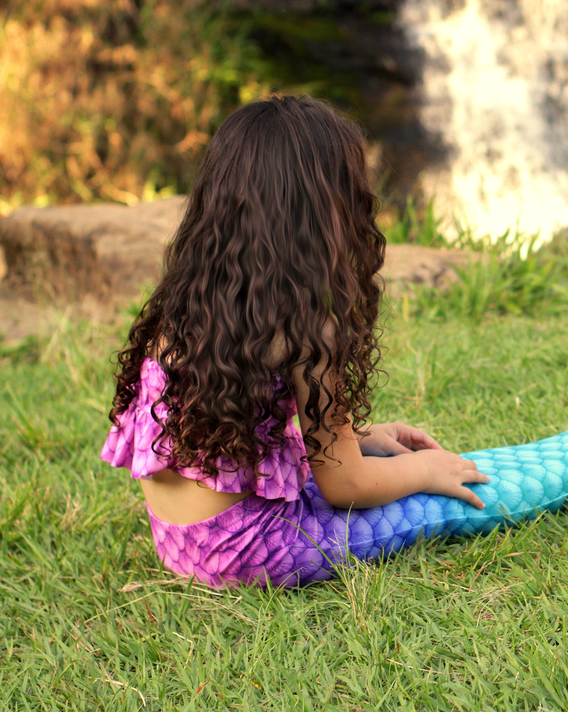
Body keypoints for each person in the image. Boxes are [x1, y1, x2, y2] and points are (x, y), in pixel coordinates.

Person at [101, 95, 490, 587]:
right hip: (253, 554)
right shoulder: (305, 328)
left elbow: (227, 443)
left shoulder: (187, 305)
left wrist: (361, 438)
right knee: (428, 504)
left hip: (179, 544)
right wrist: (426, 472)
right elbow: (347, 486)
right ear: (324, 212)